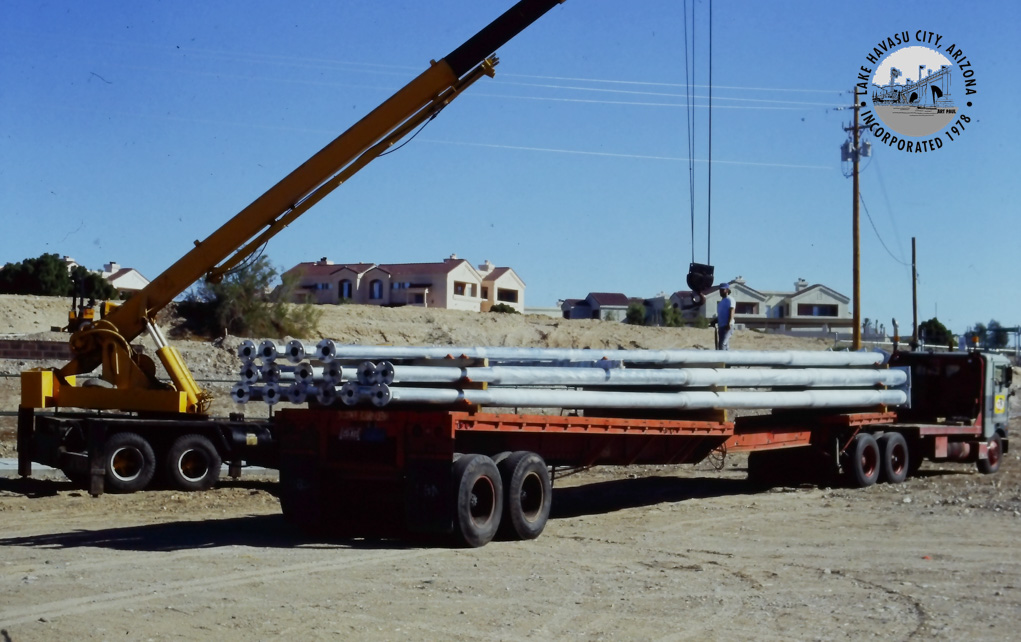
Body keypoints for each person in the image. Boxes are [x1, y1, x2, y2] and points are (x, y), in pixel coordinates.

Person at [716, 282, 735, 350]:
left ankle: (722, 359)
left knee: (722, 344)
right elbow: (721, 314)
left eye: (722, 290)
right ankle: (727, 360)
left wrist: (729, 323)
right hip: (721, 326)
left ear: (727, 290)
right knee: (725, 345)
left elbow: (732, 311)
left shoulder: (730, 299)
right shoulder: (721, 302)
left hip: (727, 326)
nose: (720, 292)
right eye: (720, 290)